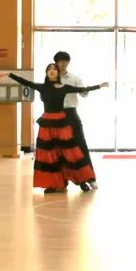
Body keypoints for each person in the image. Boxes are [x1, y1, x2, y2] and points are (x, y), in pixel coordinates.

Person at [9, 64, 107, 193]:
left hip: (62, 123)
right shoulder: (42, 87)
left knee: (70, 153)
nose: (52, 71)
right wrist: (9, 75)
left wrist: (99, 86)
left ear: (57, 73)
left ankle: (81, 181)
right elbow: (26, 82)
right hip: (47, 124)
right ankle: (54, 184)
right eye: (49, 69)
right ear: (46, 73)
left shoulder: (64, 87)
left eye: (54, 69)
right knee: (50, 155)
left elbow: (82, 89)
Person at [54, 50, 97, 190]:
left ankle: (90, 179)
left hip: (71, 114)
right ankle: (60, 182)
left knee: (80, 146)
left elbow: (84, 94)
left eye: (65, 61)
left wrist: (85, 90)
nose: (63, 63)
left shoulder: (74, 78)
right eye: (60, 61)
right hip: (55, 115)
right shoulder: (51, 78)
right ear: (56, 62)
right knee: (58, 150)